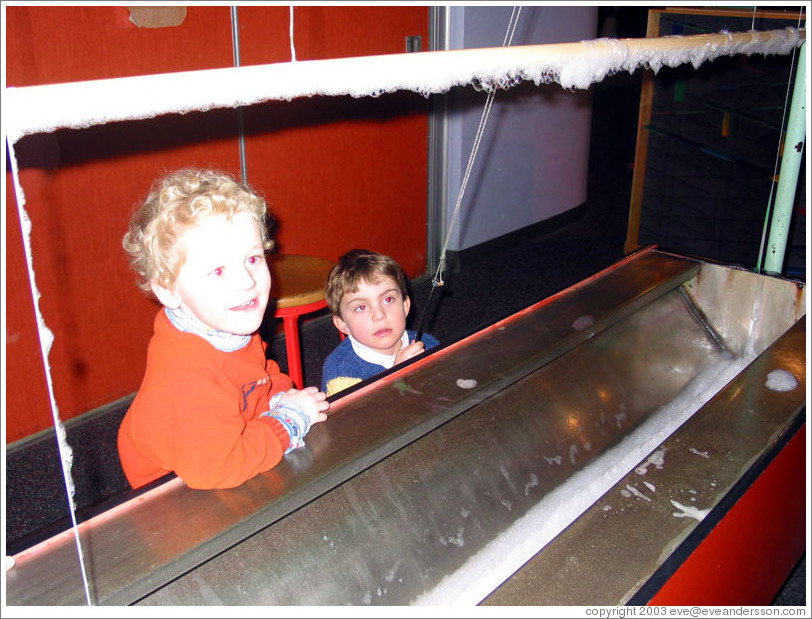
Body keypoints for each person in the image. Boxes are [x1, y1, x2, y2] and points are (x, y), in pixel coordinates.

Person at [117, 168, 329, 490]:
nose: (246, 281)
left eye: (253, 259)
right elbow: (219, 468)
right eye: (218, 270)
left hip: (225, 443)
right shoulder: (185, 377)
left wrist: (282, 395)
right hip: (180, 493)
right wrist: (289, 421)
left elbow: (259, 375)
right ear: (168, 289)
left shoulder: (225, 322)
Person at [321, 249, 440, 397]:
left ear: (405, 306)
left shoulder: (427, 343)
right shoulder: (341, 372)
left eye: (388, 299)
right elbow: (360, 417)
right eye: (361, 307)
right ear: (342, 324)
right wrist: (396, 375)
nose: (379, 315)